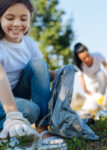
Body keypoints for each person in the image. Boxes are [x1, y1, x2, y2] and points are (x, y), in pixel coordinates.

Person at [0, 0, 64, 145]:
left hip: (18, 94)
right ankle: (7, 126)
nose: (17, 24)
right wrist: (13, 113)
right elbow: (1, 77)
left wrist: (61, 73)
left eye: (23, 19)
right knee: (31, 110)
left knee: (39, 63)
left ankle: (43, 129)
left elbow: (41, 73)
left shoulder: (29, 44)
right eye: (10, 18)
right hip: (2, 97)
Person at [73, 42, 107, 112]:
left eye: (88, 56)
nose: (87, 59)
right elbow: (85, 89)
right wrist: (96, 96)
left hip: (102, 81)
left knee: (100, 73)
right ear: (80, 59)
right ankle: (89, 106)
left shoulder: (97, 55)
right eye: (84, 58)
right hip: (91, 88)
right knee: (93, 107)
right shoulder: (78, 66)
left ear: (88, 52)